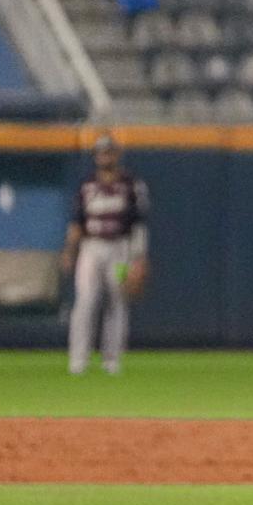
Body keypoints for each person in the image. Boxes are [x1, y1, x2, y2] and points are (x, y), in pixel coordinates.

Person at [59, 134, 148, 375]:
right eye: (101, 152)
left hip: (120, 248)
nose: (105, 157)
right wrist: (70, 250)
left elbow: (138, 224)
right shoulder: (87, 185)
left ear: (117, 154)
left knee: (117, 301)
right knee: (85, 301)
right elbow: (77, 222)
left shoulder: (131, 185)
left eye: (109, 152)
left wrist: (139, 258)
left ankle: (112, 359)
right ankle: (78, 359)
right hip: (91, 247)